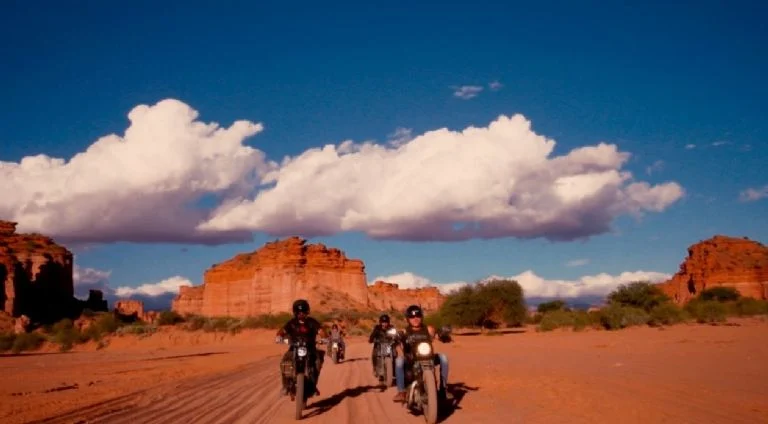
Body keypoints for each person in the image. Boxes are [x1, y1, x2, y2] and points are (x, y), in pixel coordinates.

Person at [392, 305, 450, 403]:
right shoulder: (405, 331)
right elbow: (397, 339)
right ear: (408, 319)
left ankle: (443, 389)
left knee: (444, 358)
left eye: (418, 316)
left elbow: (437, 335)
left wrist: (443, 336)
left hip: (428, 357)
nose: (415, 319)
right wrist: (395, 338)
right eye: (412, 317)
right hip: (411, 359)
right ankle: (401, 392)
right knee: (399, 361)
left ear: (421, 317)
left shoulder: (428, 329)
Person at [276, 299, 327, 399]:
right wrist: (279, 337)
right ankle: (286, 386)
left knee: (318, 362)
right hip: (294, 348)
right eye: (299, 312)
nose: (301, 314)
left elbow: (321, 331)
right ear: (295, 312)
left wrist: (324, 338)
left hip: (310, 348)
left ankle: (313, 386)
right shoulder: (292, 323)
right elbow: (282, 331)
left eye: (303, 312)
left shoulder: (312, 322)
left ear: (307, 312)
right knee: (284, 362)